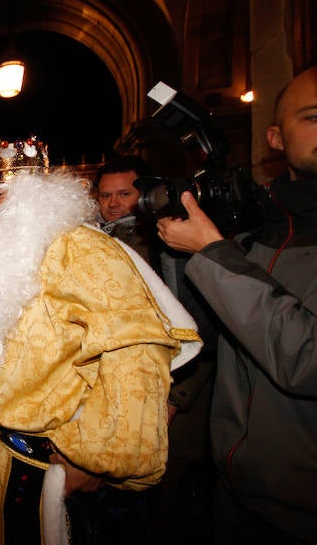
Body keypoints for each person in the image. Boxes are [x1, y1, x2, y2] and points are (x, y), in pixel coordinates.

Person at [0, 136, 203, 545]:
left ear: (37, 197)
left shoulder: (85, 251)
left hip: (60, 465)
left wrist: (100, 459)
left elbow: (133, 354)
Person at [156, 65, 317, 545]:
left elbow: (306, 358)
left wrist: (211, 252)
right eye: (312, 117)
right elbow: (203, 334)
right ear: (275, 137)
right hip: (234, 494)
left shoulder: (230, 248)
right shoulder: (260, 230)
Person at [94, 153, 218, 544]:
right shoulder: (97, 244)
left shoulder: (170, 245)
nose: (113, 203)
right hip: (120, 403)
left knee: (167, 513)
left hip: (172, 405)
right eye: (105, 195)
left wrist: (176, 399)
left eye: (124, 193)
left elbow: (205, 330)